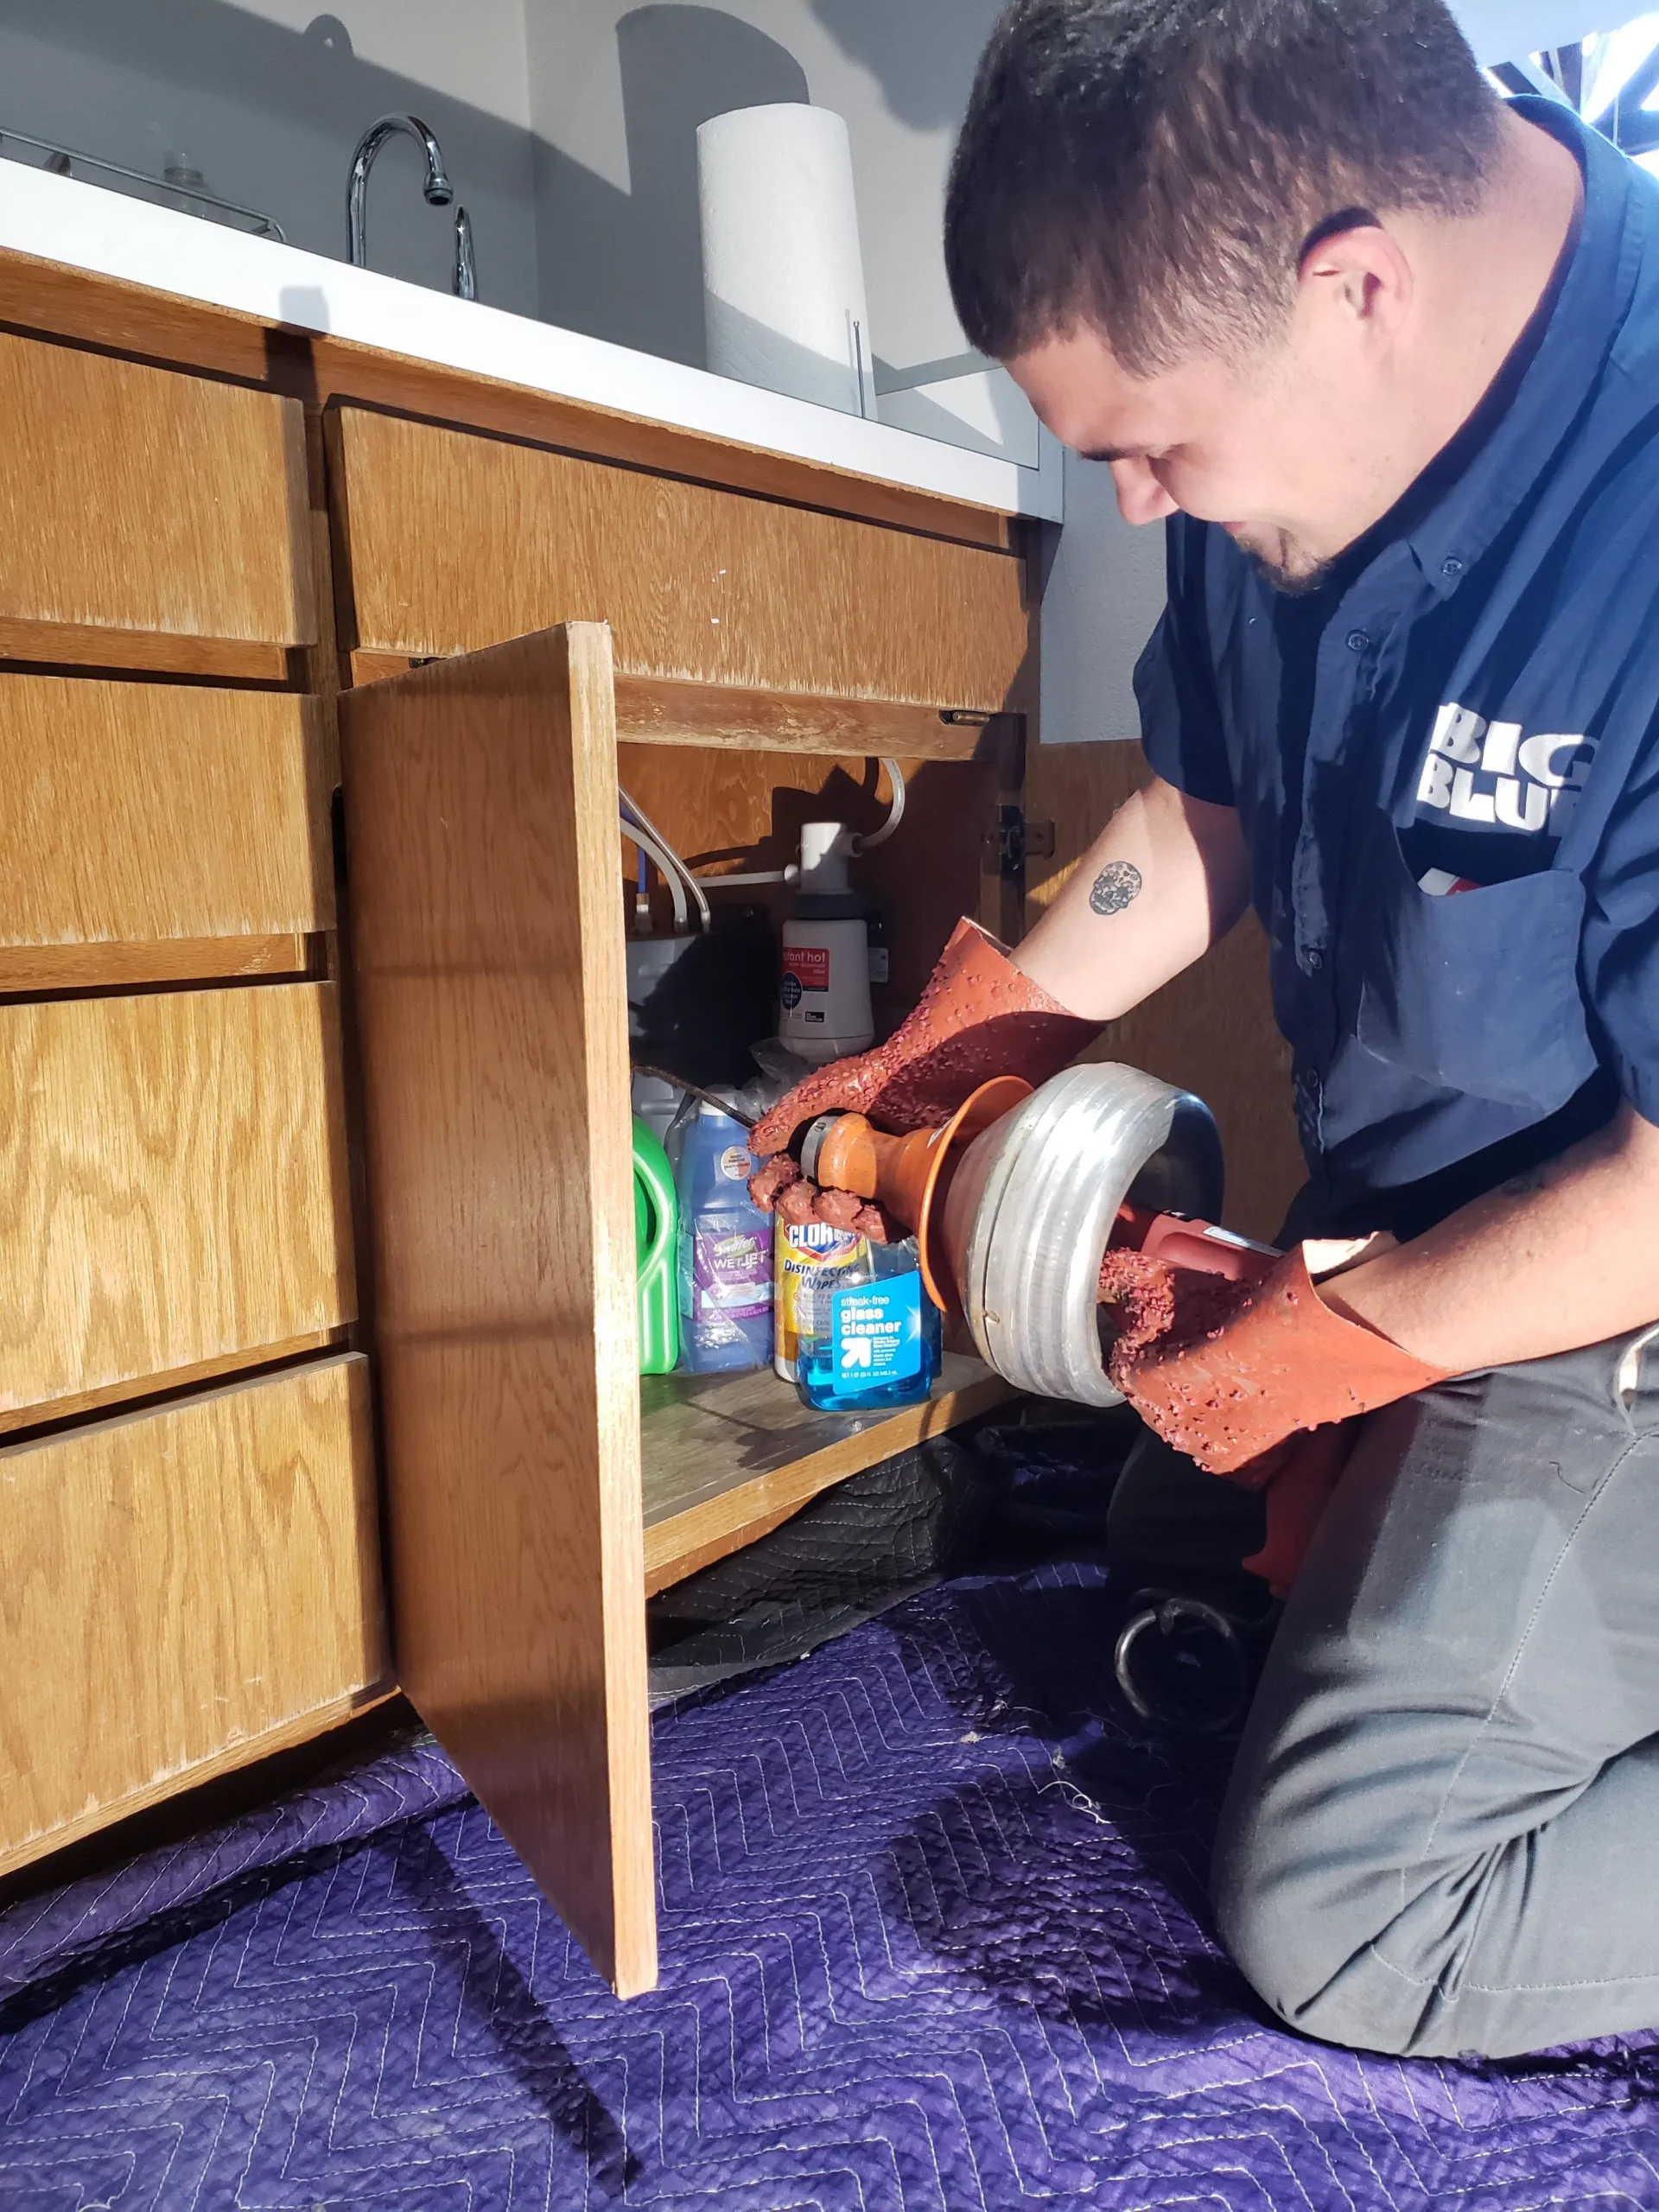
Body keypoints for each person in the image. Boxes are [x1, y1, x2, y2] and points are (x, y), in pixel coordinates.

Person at [747, 0, 1659, 2062]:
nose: (1143, 507)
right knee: (1171, 1513)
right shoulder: (1301, 436)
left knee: (1357, 1903)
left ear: (1355, 288)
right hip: (1436, 1214)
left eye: (1154, 446)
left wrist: (1356, 1333)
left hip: (1622, 1261)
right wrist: (978, 1029)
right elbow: (1213, 801)